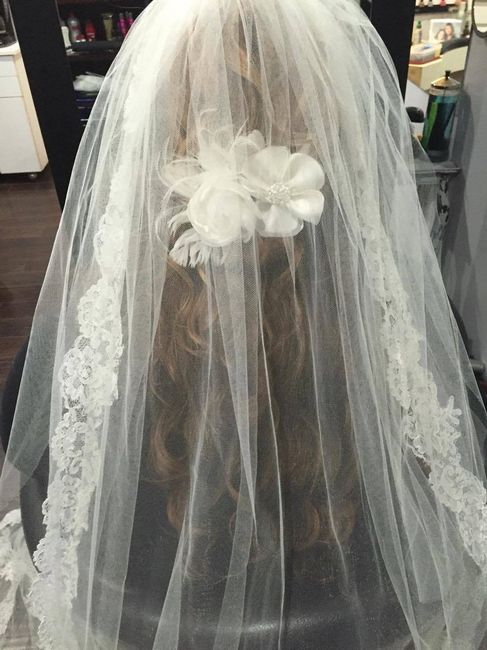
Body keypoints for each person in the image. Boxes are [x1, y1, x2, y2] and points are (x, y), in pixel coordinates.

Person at [1, 0, 487, 648]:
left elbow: (25, 441)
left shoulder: (99, 304)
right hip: (349, 579)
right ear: (335, 110)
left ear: (153, 116)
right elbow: (457, 439)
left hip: (141, 589)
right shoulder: (395, 295)